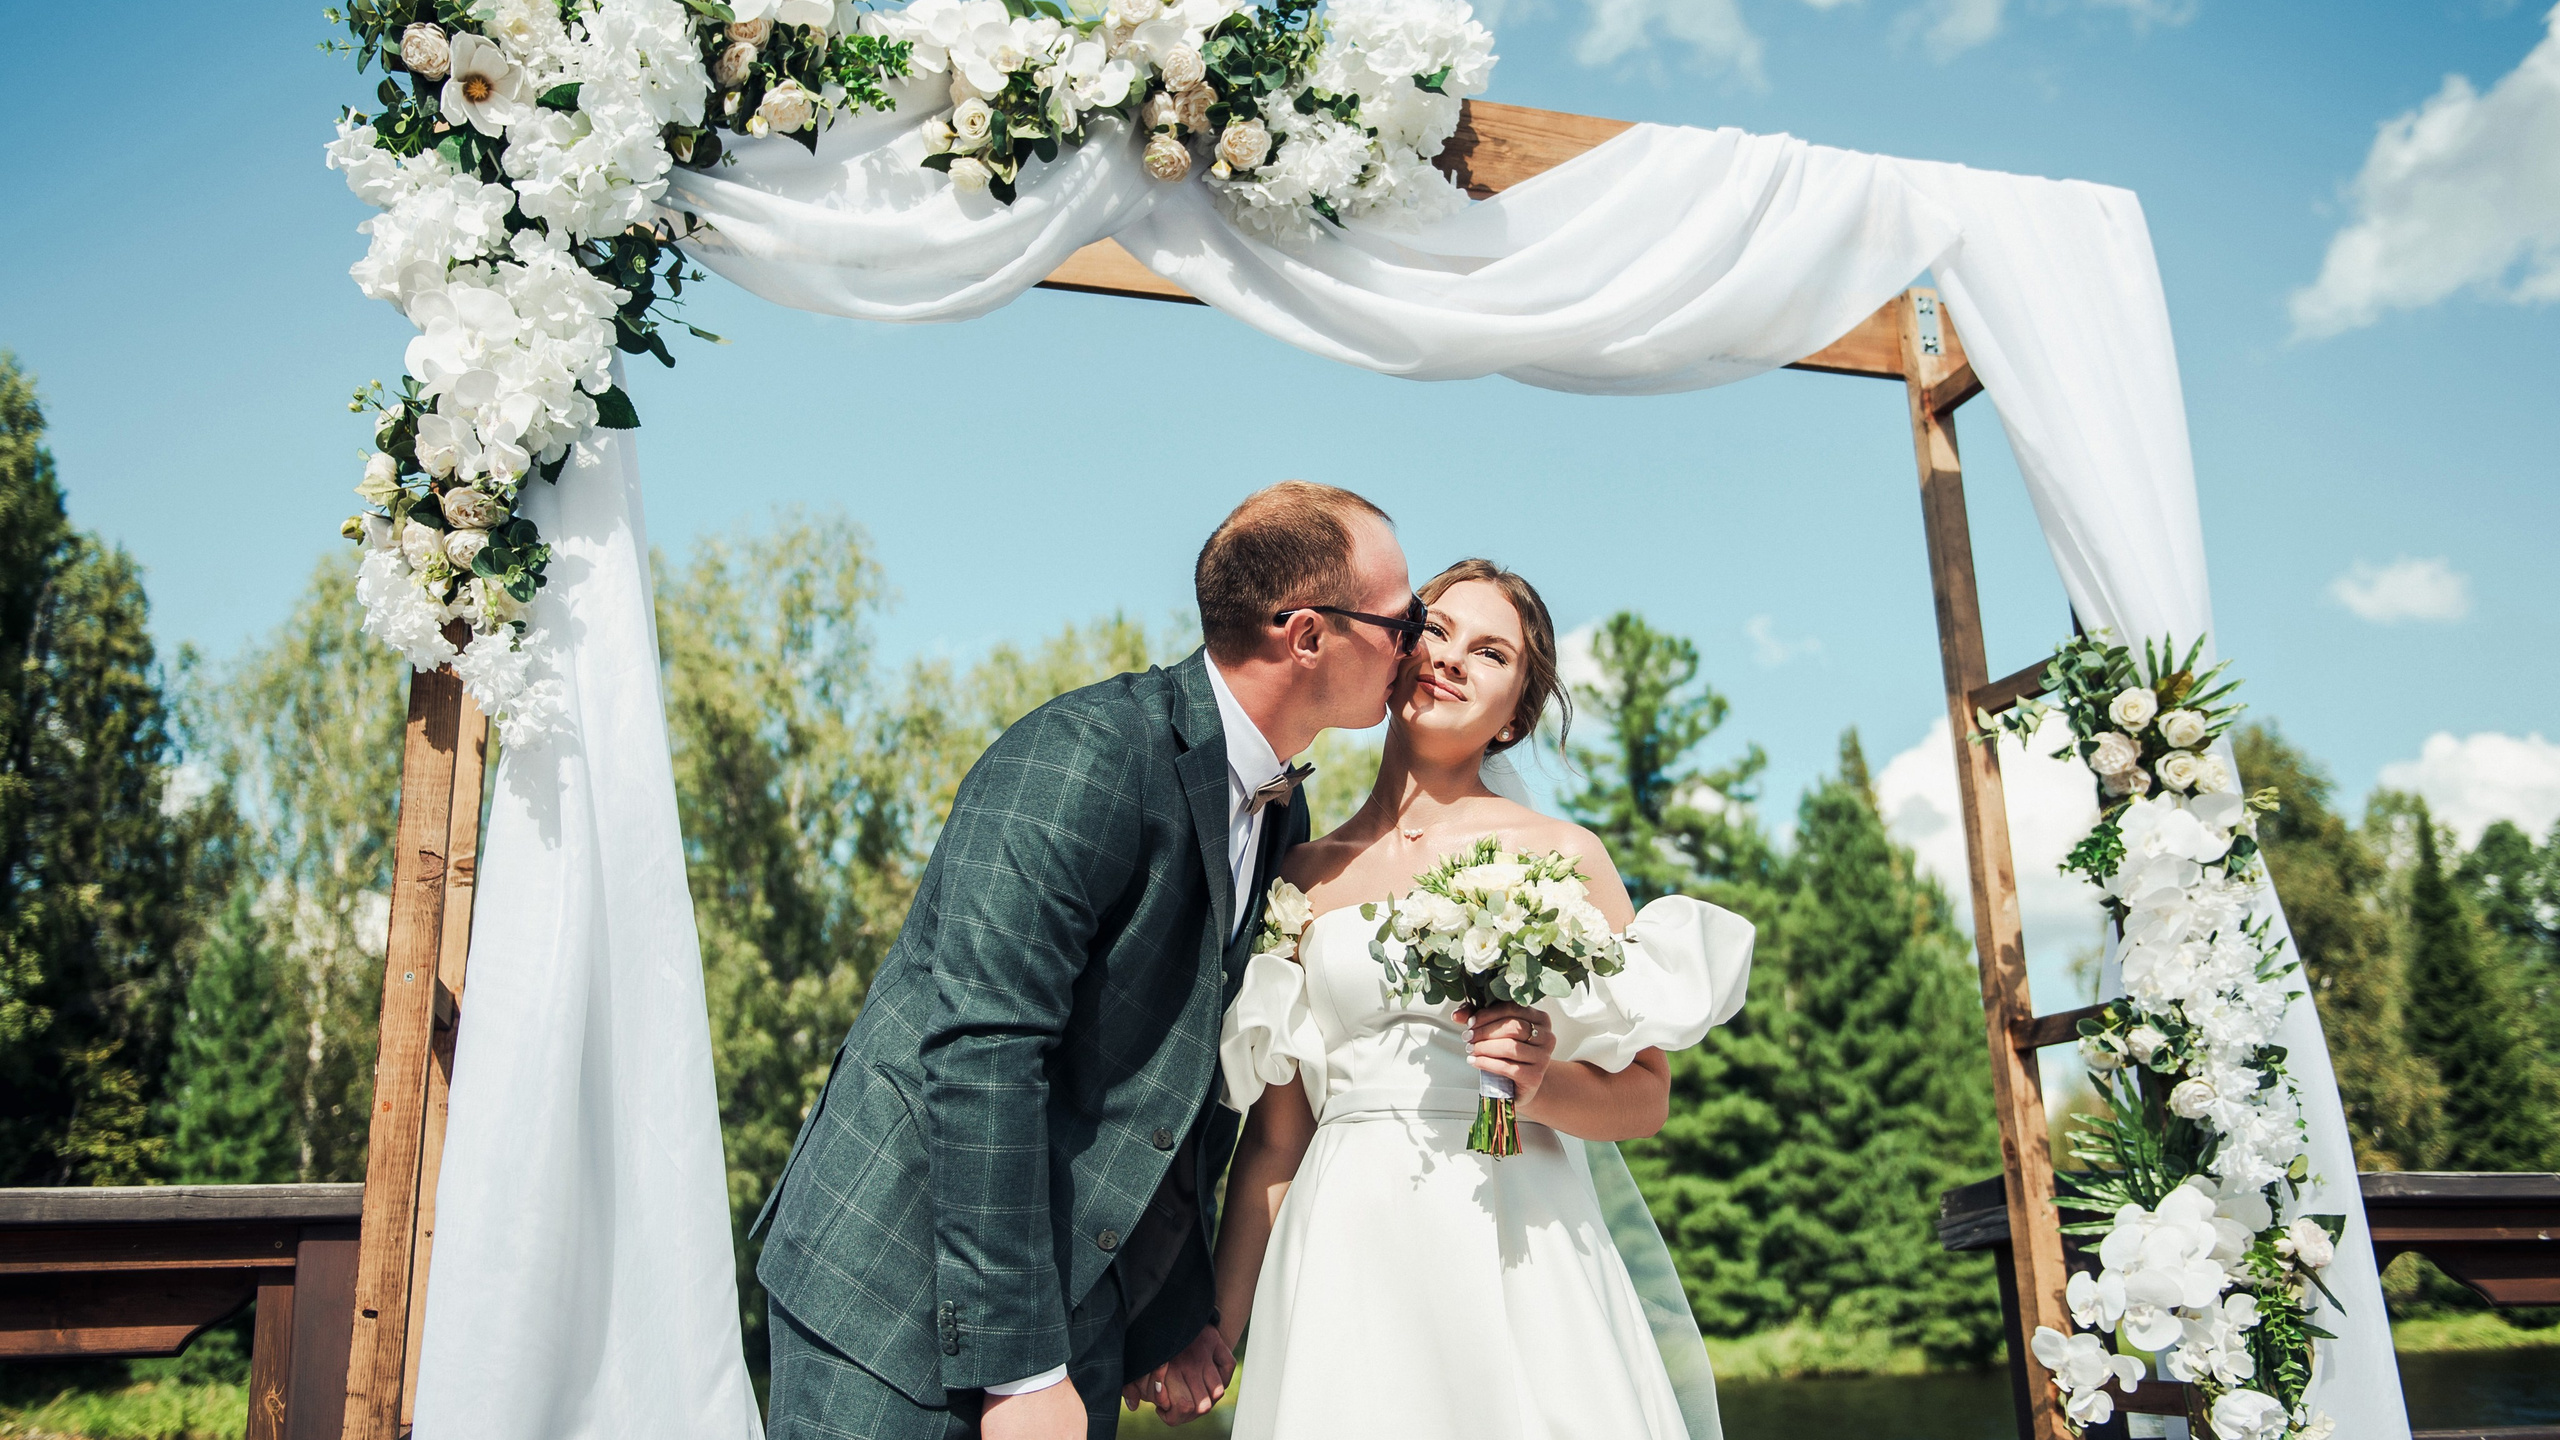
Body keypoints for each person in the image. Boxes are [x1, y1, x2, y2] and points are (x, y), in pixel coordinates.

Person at [753, 481, 1421, 1440]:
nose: (1417, 645)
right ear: (1307, 633)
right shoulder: (1086, 757)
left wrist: (1172, 1317)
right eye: (1405, 620)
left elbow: (1174, 1087)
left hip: (1079, 1308)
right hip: (897, 1295)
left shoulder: (1282, 811)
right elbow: (984, 1052)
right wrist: (1019, 1372)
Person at [1136, 559, 1754, 1439]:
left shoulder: (1564, 856)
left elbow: (1647, 1096)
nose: (1453, 658)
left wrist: (1543, 1084)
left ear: (1516, 717)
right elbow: (1279, 1137)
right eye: (1437, 631)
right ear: (1394, 656)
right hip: (1348, 1239)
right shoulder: (1301, 871)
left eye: (1491, 652)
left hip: (1517, 1235)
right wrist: (1218, 1330)